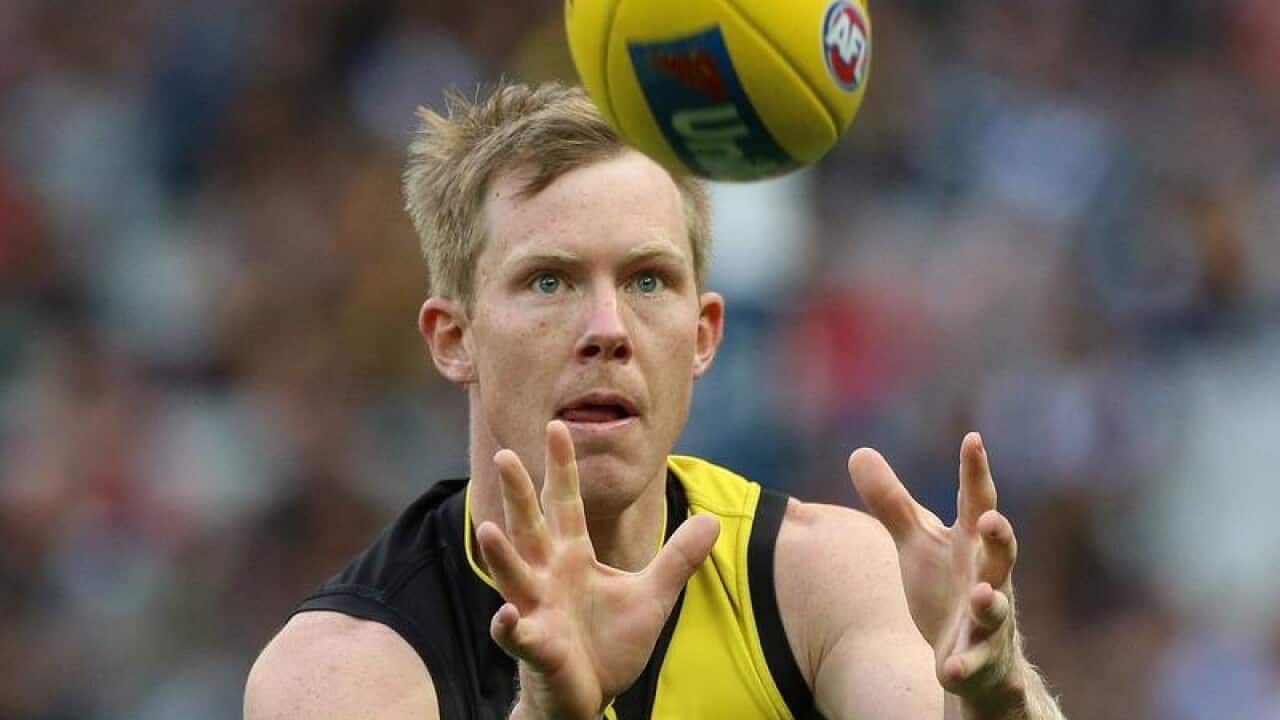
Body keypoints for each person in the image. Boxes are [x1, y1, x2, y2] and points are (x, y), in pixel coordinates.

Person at [244, 81, 1066, 720]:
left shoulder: (817, 581)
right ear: (452, 338)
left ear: (704, 334)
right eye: (549, 280)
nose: (608, 329)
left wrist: (996, 698)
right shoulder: (339, 671)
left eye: (647, 280)